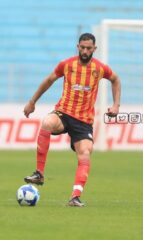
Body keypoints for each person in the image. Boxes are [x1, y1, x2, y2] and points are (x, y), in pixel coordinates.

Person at [23, 33, 121, 207]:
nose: (85, 51)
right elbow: (48, 80)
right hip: (64, 113)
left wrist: (116, 105)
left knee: (85, 152)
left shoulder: (100, 68)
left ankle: (75, 196)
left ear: (94, 49)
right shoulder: (67, 64)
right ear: (78, 47)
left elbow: (115, 80)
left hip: (84, 121)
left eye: (88, 48)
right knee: (47, 122)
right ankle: (39, 173)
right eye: (82, 47)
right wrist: (32, 102)